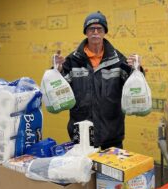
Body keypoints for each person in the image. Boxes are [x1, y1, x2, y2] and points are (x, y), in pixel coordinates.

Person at [54, 11, 143, 149]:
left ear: (104, 32)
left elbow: (132, 84)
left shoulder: (118, 60)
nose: (95, 31)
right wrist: (57, 70)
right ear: (86, 32)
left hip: (111, 132)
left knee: (110, 170)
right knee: (84, 170)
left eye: (99, 28)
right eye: (91, 28)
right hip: (81, 130)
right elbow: (61, 88)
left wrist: (136, 68)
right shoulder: (72, 61)